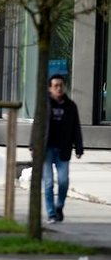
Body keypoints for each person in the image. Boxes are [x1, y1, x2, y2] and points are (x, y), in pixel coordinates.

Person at [42, 74, 84, 223]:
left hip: (63, 149)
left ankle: (59, 206)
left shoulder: (71, 106)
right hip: (46, 149)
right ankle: (51, 214)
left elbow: (76, 128)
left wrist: (79, 147)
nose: (59, 88)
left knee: (63, 181)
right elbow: (37, 127)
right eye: (55, 86)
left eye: (61, 85)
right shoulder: (44, 104)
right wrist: (33, 145)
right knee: (48, 183)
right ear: (50, 88)